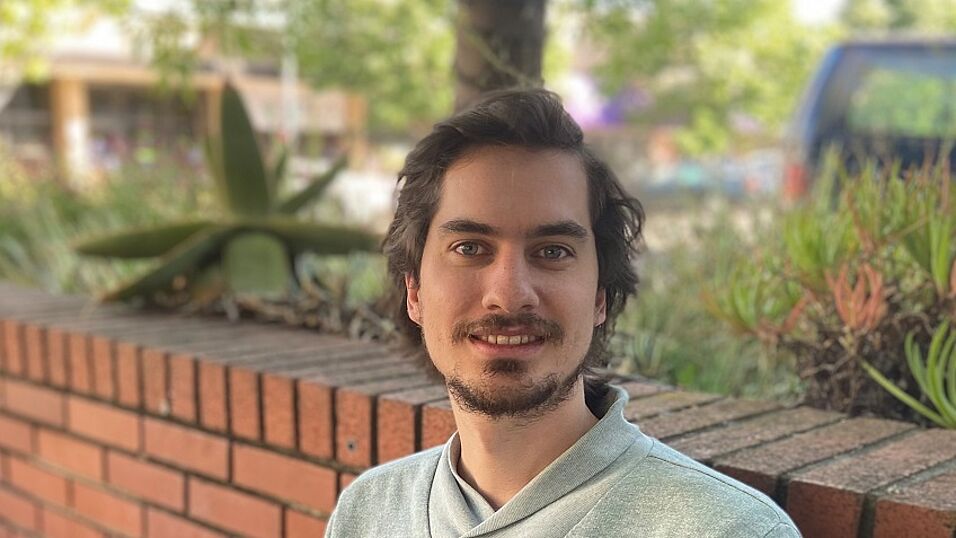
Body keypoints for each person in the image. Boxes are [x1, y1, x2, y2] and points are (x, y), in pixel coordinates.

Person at [325, 88, 801, 537]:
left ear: (599, 295)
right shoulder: (367, 512)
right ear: (414, 291)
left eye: (552, 251)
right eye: (469, 247)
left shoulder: (728, 529)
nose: (509, 295)